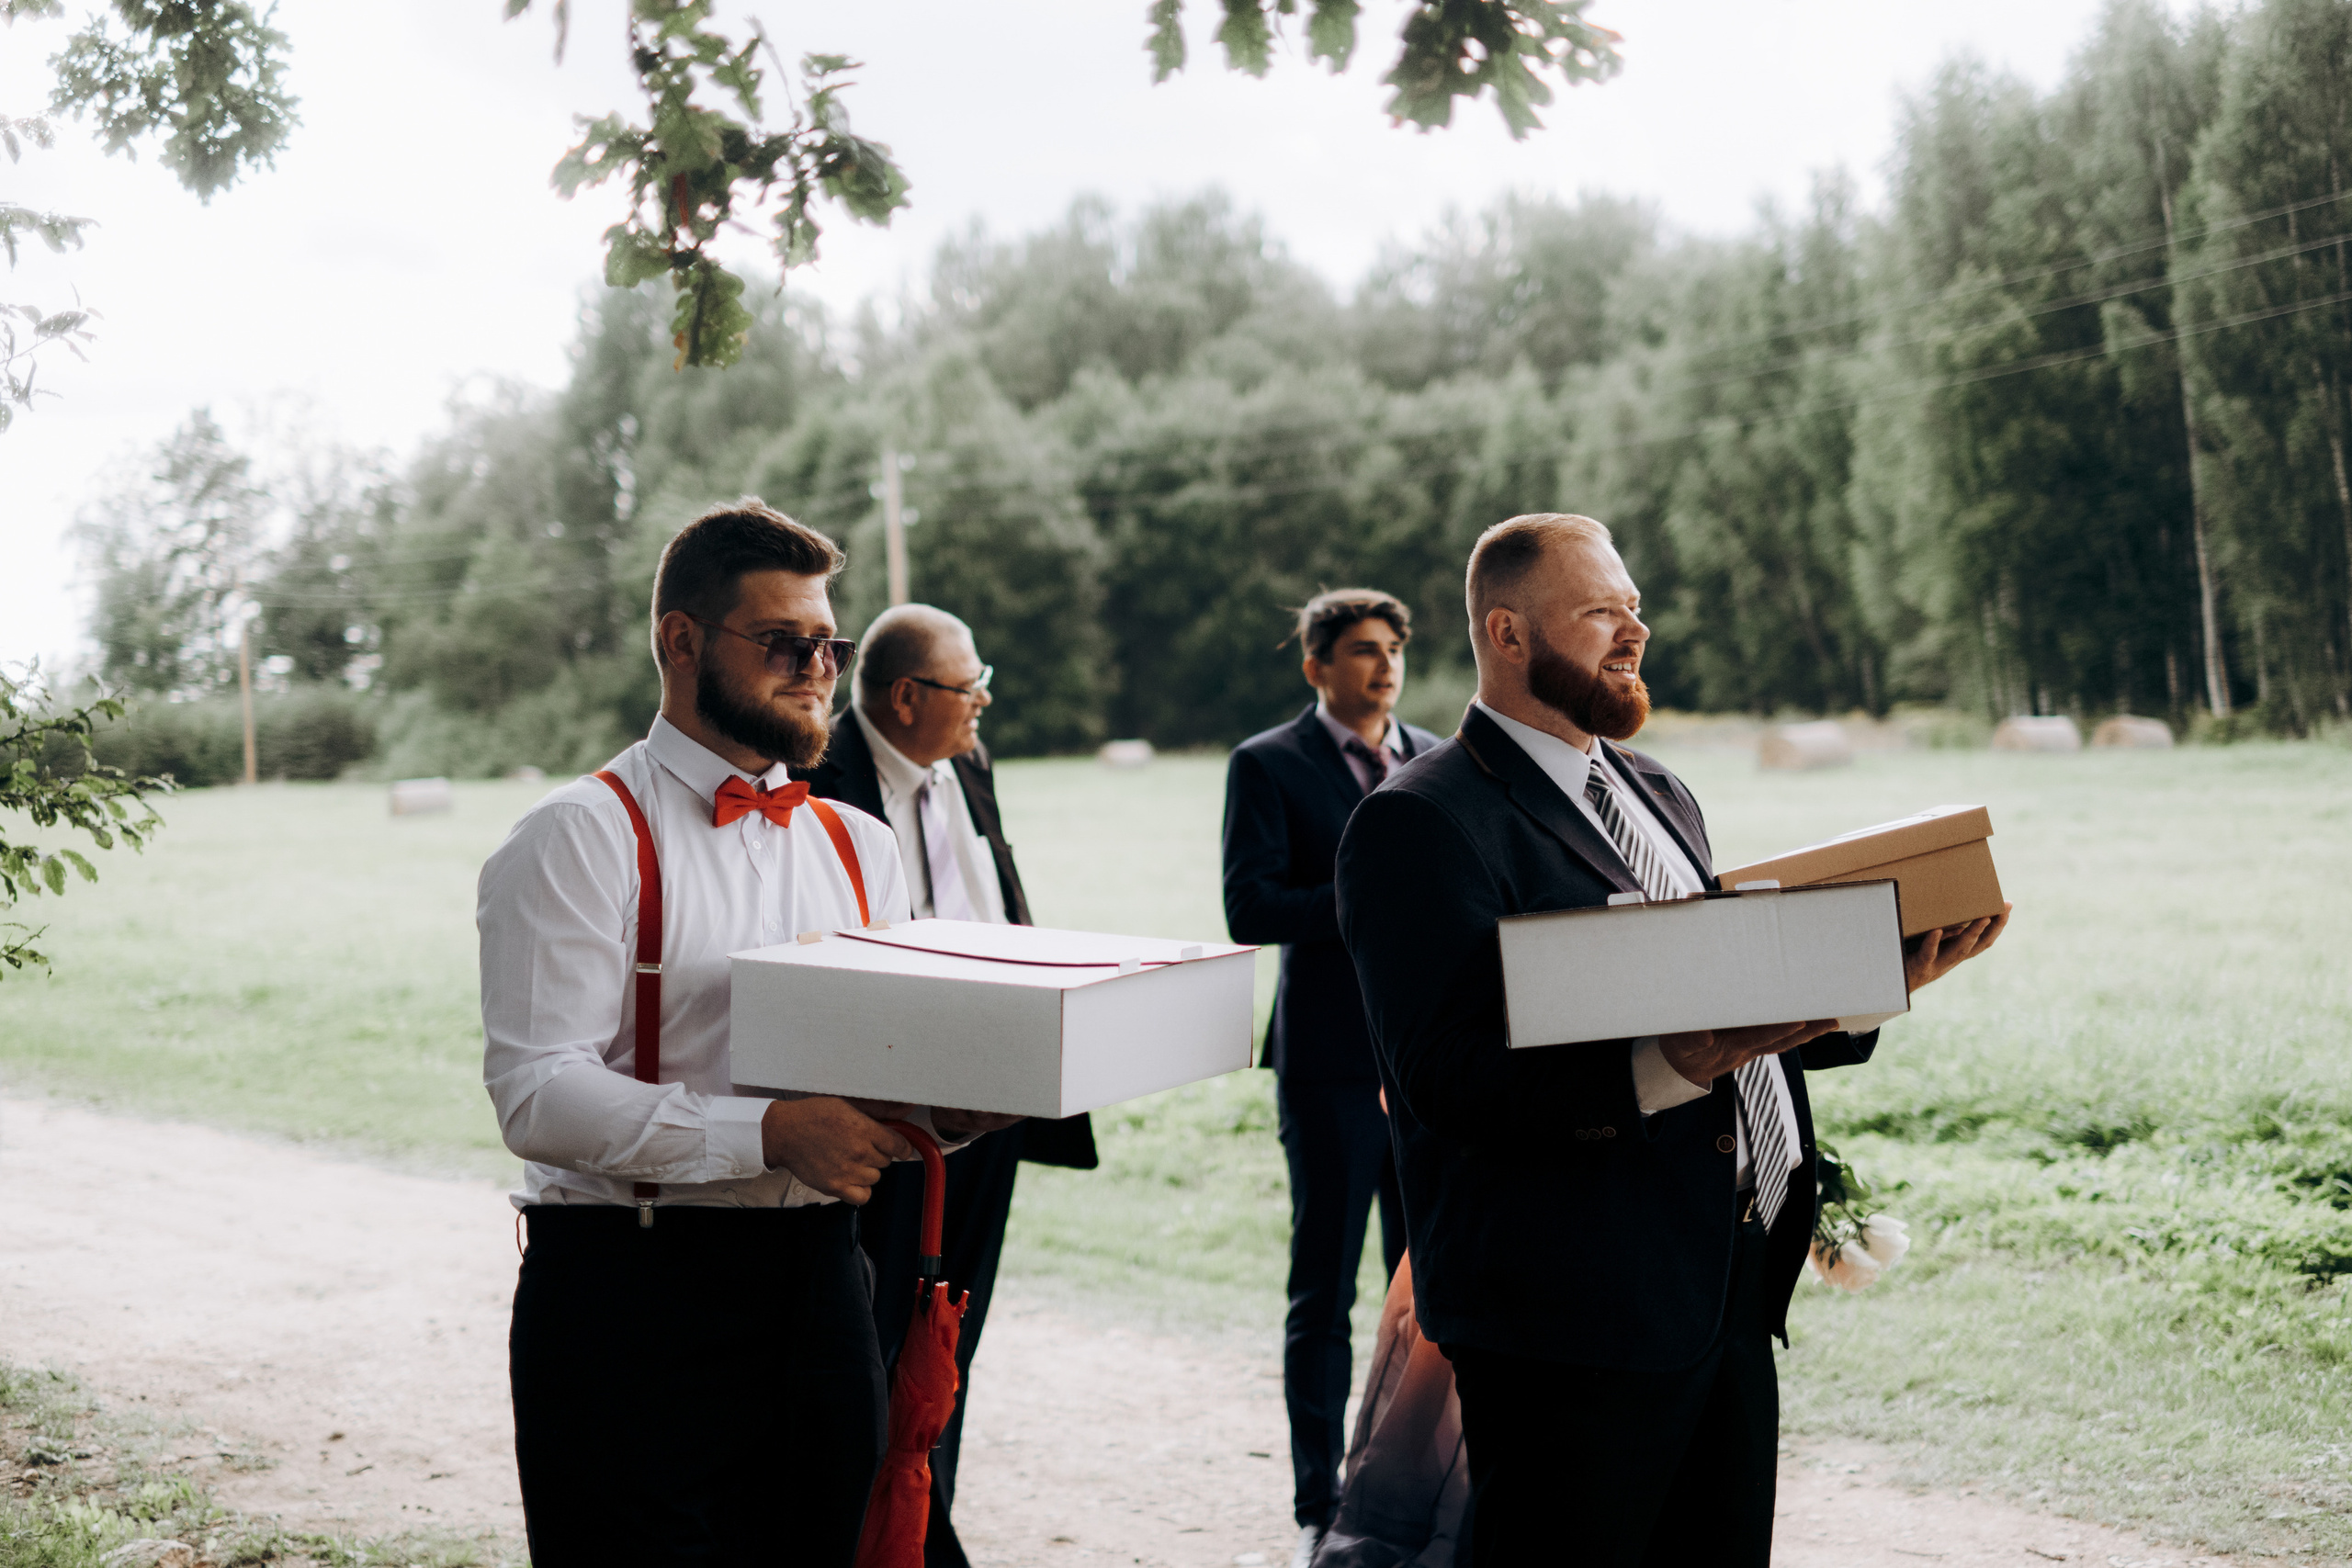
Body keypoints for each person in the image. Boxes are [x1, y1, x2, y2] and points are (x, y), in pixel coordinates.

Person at [1333, 513, 2009, 1565]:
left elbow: (1730, 1004)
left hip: (1724, 1292)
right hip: (1566, 1321)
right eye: (1600, 611)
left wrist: (1873, 988)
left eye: (1634, 607)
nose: (1632, 631)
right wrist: (1667, 1065)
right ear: (1507, 635)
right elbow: (1444, 1084)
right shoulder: (1418, 821)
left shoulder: (1658, 792)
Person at [478, 501, 1022, 1567]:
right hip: (629, 1296)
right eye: (784, 643)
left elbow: (877, 1074)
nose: (818, 669)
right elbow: (536, 1095)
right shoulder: (576, 836)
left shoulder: (858, 844)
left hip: (824, 1285)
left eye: (830, 645)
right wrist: (765, 1135)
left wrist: (945, 1116)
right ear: (681, 641)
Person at [797, 601, 1098, 1568]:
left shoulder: (968, 763)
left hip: (994, 1104)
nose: (984, 707)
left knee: (950, 1341)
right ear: (904, 697)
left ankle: (924, 1521)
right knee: (876, 1338)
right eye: (971, 689)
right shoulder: (819, 778)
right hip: (887, 1118)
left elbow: (999, 897)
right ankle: (871, 1533)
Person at [1220, 589, 1442, 1568]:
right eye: (1360, 651)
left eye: (1391, 649)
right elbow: (1249, 904)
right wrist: (1373, 897)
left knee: (1430, 1289)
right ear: (1315, 667)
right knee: (1323, 1290)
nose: (1382, 665)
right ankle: (1321, 1502)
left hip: (1431, 1064)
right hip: (1326, 1070)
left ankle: (1410, 1497)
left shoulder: (1438, 756)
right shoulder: (1265, 764)